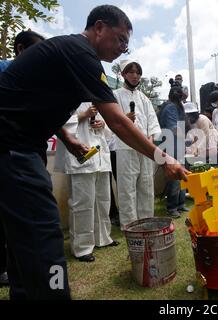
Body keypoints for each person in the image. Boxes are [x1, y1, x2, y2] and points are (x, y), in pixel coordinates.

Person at [0, 5, 188, 300]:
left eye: (127, 44)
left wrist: (68, 137)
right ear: (99, 27)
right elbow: (117, 121)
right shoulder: (80, 52)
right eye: (120, 39)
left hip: (21, 145)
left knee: (21, 238)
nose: (123, 48)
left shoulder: (74, 55)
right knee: (45, 235)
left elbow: (34, 102)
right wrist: (164, 158)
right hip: (11, 147)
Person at [0, 29, 45, 289]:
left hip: (29, 153)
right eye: (36, 52)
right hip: (6, 154)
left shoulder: (34, 81)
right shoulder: (4, 70)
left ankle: (19, 272)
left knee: (24, 223)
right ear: (19, 49)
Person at [55, 103, 117, 263]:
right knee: (82, 203)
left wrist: (103, 125)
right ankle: (82, 247)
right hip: (80, 156)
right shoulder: (68, 95)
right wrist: (83, 115)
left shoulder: (97, 98)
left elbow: (109, 133)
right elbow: (57, 122)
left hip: (100, 155)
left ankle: (103, 238)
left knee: (103, 200)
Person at [113, 59, 162, 229]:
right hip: (125, 148)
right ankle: (130, 225)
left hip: (145, 148)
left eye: (138, 73)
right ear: (123, 74)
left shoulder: (144, 98)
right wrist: (125, 119)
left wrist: (150, 139)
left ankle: (147, 221)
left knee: (147, 185)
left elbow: (152, 121)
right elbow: (111, 121)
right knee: (127, 188)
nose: (135, 76)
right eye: (131, 72)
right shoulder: (115, 95)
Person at [159, 84, 190, 218]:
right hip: (171, 145)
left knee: (182, 174)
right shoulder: (171, 107)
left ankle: (180, 203)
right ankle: (172, 207)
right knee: (175, 177)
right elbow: (173, 128)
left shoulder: (177, 107)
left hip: (178, 144)